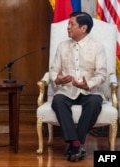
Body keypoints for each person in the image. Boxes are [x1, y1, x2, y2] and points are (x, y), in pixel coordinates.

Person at [50, 12, 107, 162]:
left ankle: (75, 145)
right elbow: (54, 70)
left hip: (89, 91)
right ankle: (77, 144)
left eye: (71, 24)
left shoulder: (97, 47)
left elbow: (102, 74)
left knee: (95, 103)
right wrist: (58, 79)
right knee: (58, 101)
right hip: (67, 90)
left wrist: (87, 84)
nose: (68, 27)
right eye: (68, 24)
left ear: (83, 28)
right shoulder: (62, 46)